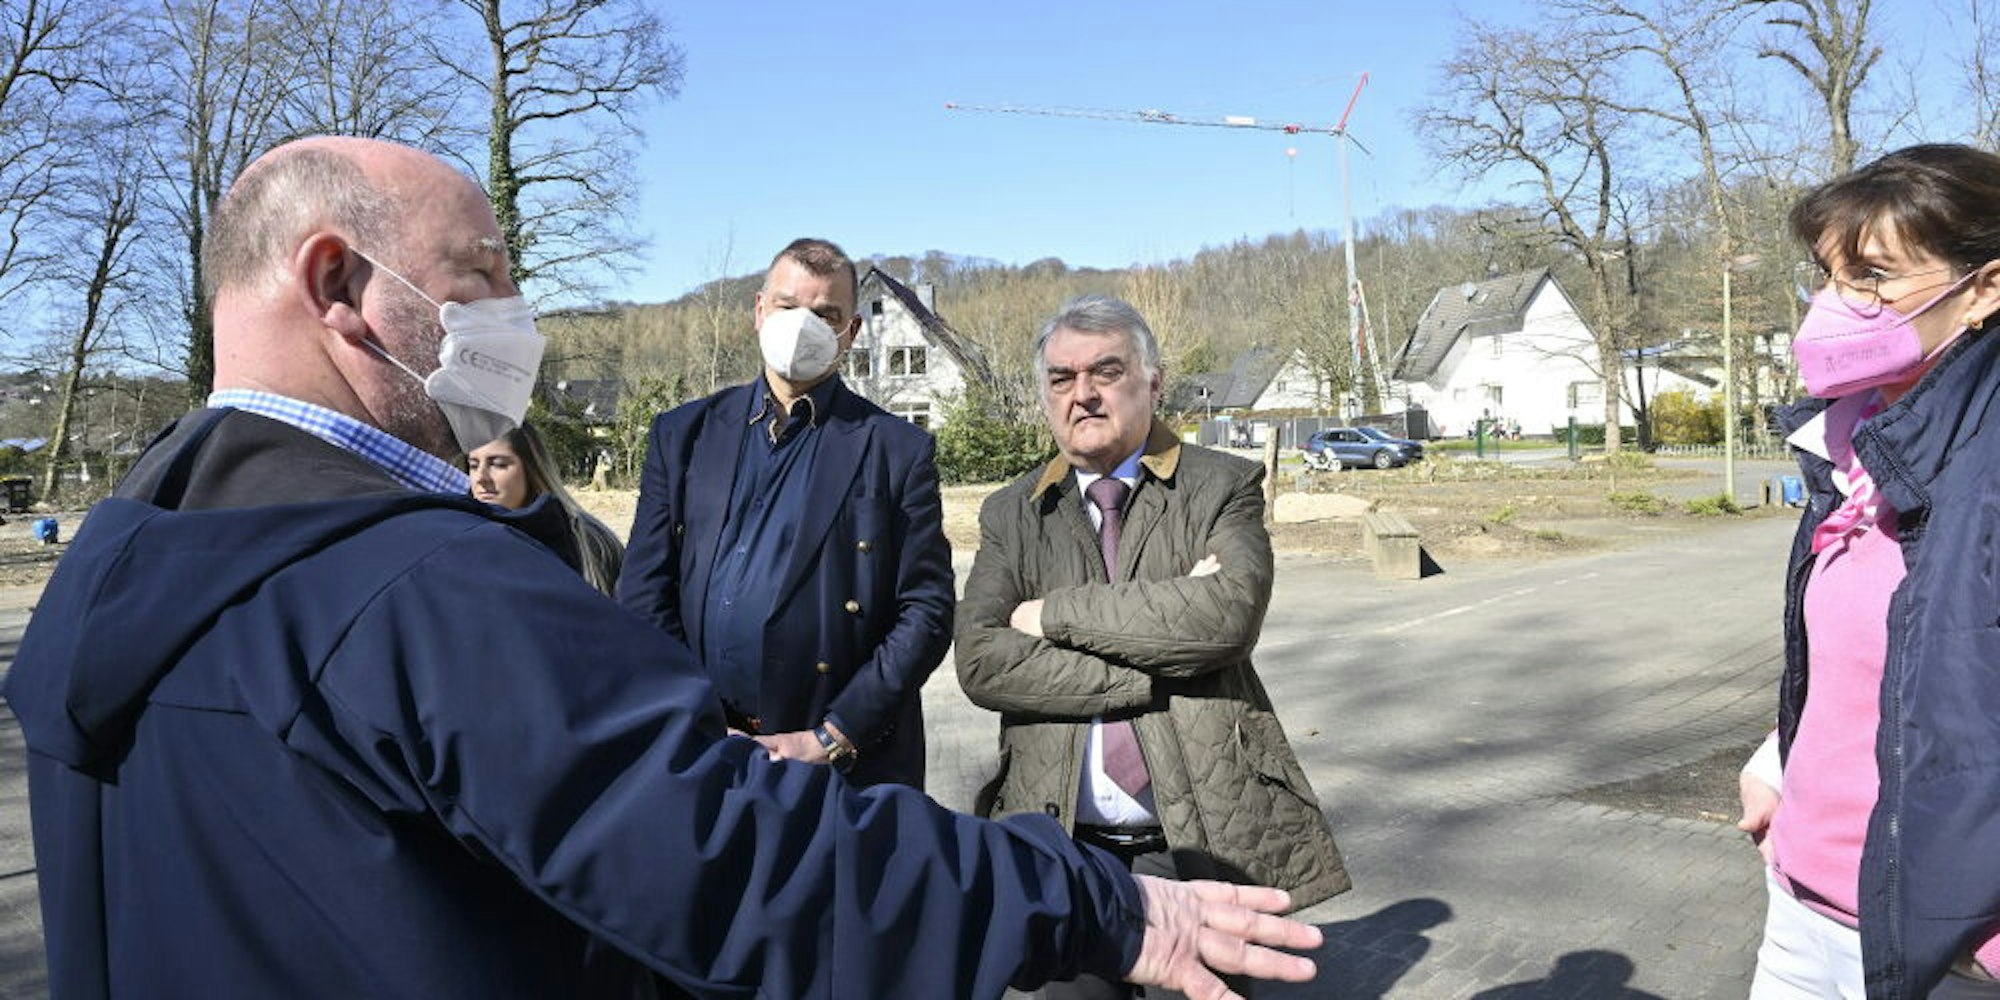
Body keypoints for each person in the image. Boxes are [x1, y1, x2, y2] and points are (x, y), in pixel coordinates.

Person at [3, 136, 1323, 999]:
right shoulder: (415, 588)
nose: (509, 313)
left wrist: (823, 733)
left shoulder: (122, 558)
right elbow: (731, 855)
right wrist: (1092, 904)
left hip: (819, 753)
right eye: (479, 273)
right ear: (340, 283)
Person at [955, 294, 1350, 999]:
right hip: (1063, 847)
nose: (1082, 394)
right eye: (1061, 378)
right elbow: (982, 662)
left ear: (1153, 382)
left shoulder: (1220, 484)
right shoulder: (1012, 511)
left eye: (1106, 372)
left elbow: (1226, 619)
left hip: (1199, 839)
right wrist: (1161, 658)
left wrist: (1049, 615)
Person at [1735, 144, 2000, 999]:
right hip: (1803, 905)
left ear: (1985, 288)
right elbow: (1882, 661)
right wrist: (1781, 759)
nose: (1836, 306)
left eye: (1874, 277)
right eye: (1829, 275)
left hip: (1943, 948)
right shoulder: (1848, 443)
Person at [617, 238, 951, 789]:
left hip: (843, 765)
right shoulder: (683, 435)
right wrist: (697, 717)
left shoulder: (897, 449)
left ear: (851, 333)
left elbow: (926, 610)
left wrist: (835, 735)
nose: (802, 326)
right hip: (702, 748)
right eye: (787, 306)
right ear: (758, 311)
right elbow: (642, 592)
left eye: (826, 315)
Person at [468, 422, 624, 595]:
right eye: (473, 465)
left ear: (531, 469)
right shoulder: (462, 537)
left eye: (498, 464)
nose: (481, 478)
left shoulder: (589, 541)